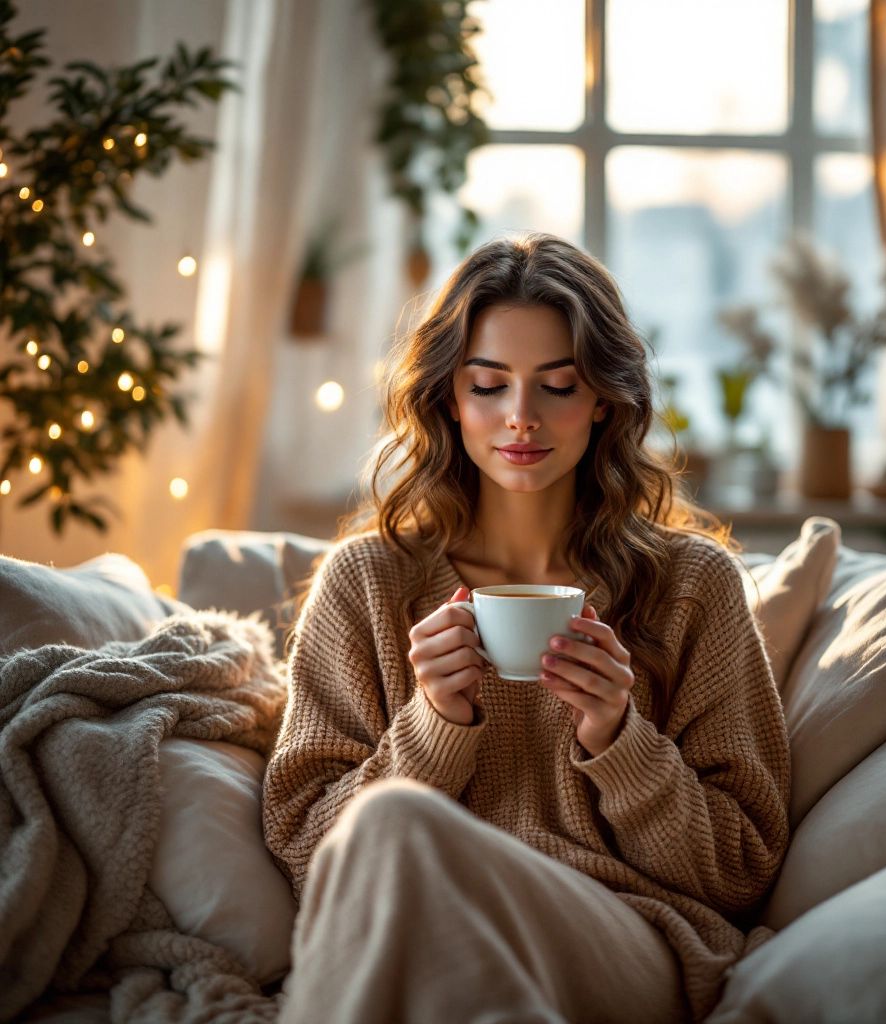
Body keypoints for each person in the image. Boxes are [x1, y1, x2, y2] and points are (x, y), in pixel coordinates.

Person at [261, 232, 791, 1024]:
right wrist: (433, 726)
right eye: (487, 385)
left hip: (621, 932)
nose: (520, 419)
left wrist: (621, 740)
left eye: (557, 386)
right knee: (397, 827)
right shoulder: (368, 582)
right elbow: (310, 857)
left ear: (604, 398)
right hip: (412, 925)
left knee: (399, 826)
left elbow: (741, 872)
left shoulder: (691, 587)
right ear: (446, 397)